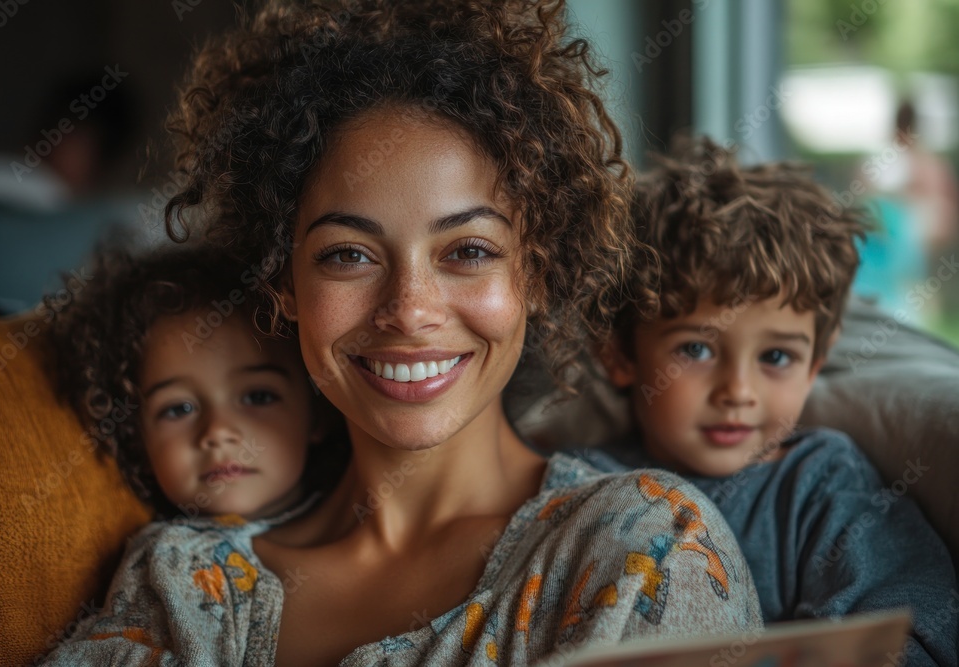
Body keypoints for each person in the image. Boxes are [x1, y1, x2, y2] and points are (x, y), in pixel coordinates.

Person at [155, 1, 762, 665]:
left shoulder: (646, 548)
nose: (410, 309)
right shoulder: (182, 584)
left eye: (468, 250)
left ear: (537, 270)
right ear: (282, 283)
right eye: (348, 254)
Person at [593, 137, 957, 667]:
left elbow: (915, 632)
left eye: (777, 358)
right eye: (696, 349)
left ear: (815, 364)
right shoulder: (580, 480)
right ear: (619, 354)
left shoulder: (823, 483)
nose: (737, 392)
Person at [42, 244, 347, 664]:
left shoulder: (372, 515)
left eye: (258, 396)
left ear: (317, 411)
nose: (217, 432)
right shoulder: (169, 563)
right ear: (136, 438)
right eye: (178, 409)